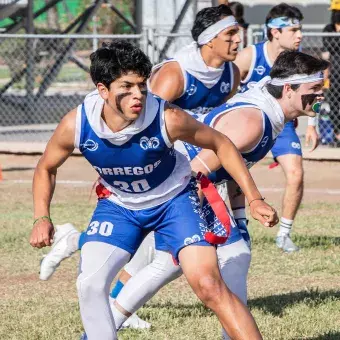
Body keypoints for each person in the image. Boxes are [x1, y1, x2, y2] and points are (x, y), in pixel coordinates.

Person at [30, 40, 277, 340]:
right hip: (120, 207)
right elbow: (46, 167)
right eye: (127, 87)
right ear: (103, 90)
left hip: (175, 202)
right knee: (90, 285)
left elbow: (221, 143)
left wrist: (255, 198)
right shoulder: (77, 124)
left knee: (209, 285)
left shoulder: (166, 117)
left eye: (142, 86)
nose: (138, 95)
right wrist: (41, 216)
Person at [97, 50, 327, 340]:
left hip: (183, 183)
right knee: (236, 255)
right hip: (181, 183)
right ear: (289, 88)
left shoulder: (269, 113)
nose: (320, 95)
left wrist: (240, 218)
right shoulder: (253, 120)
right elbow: (197, 169)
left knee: (170, 262)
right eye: (314, 88)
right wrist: (185, 212)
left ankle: (103, 328)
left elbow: (232, 168)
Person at [234, 3, 320, 252]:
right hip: (251, 124)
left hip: (282, 126)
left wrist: (311, 125)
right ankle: (234, 222)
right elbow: (225, 86)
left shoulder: (298, 61)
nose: (299, 35)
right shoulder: (250, 55)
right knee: (230, 175)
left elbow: (311, 94)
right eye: (293, 30)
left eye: (300, 29)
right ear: (275, 32)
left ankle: (284, 234)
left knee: (296, 173)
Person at [322, 10, 340, 145]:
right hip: (334, 70)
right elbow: (329, 47)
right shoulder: (328, 29)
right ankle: (337, 132)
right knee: (333, 103)